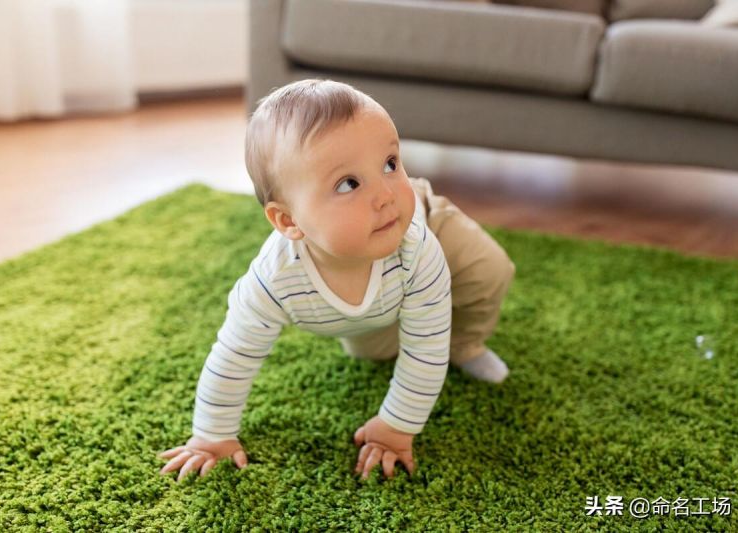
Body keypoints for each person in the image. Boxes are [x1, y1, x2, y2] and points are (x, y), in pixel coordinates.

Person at [158, 79, 515, 482]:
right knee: (376, 350)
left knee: (489, 270)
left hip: (428, 223)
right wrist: (212, 435)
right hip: (373, 295)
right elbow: (234, 355)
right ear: (289, 221)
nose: (384, 194)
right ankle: (385, 318)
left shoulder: (418, 248)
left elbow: (426, 344)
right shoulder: (273, 281)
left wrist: (396, 426)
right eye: (349, 184)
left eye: (390, 164)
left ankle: (466, 343)